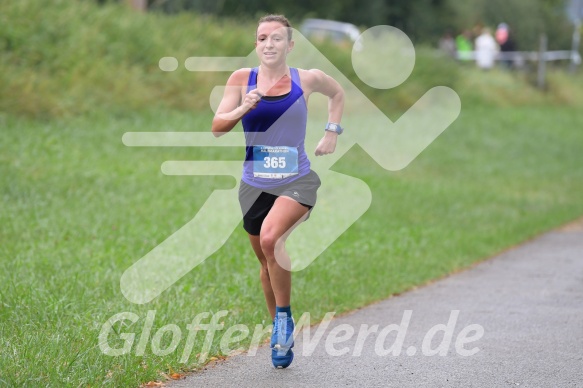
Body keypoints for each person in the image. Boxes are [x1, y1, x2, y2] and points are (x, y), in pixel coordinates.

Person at [211, 14, 345, 369]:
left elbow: (338, 93)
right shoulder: (241, 79)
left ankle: (284, 319)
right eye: (261, 38)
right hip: (254, 185)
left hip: (297, 180)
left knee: (272, 240)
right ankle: (278, 332)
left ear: (290, 45)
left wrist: (331, 131)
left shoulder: (308, 79)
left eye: (276, 38)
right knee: (265, 260)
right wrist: (244, 106)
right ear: (255, 44)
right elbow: (216, 128)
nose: (268, 44)